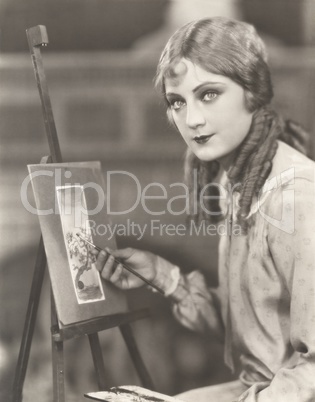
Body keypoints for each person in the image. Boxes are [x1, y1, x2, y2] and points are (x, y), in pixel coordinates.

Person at [93, 17, 315, 401]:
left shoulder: (294, 196)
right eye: (177, 101)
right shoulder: (237, 182)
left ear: (252, 91)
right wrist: (166, 278)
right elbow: (256, 328)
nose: (191, 119)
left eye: (209, 94)